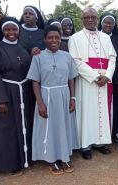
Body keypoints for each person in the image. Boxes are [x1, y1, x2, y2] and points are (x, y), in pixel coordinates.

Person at [27, 25, 79, 175]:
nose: (54, 40)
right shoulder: (38, 57)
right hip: (46, 96)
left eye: (57, 37)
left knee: (63, 127)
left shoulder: (67, 56)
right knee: (49, 128)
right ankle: (51, 159)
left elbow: (71, 78)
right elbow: (35, 81)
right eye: (50, 37)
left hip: (64, 95)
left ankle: (64, 157)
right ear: (45, 39)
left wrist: (73, 98)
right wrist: (40, 103)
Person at [68, 7, 116, 160]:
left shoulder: (106, 37)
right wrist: (96, 77)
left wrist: (107, 76)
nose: (90, 19)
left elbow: (112, 58)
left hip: (104, 80)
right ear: (82, 19)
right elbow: (75, 61)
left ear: (97, 19)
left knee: (102, 112)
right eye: (86, 17)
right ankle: (85, 145)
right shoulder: (75, 38)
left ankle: (100, 143)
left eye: (93, 17)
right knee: (87, 112)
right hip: (87, 81)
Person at [0, 17, 32, 176]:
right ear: (2, 31)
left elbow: (28, 69)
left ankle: (26, 157)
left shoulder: (22, 48)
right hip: (7, 92)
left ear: (19, 31)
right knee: (8, 128)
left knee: (24, 125)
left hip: (23, 92)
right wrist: (0, 99)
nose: (11, 32)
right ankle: (12, 163)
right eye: (7, 29)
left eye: (14, 29)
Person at [97, 12, 118, 143]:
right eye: (105, 22)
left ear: (114, 25)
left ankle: (113, 133)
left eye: (111, 23)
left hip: (115, 78)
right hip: (98, 79)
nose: (108, 25)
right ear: (101, 23)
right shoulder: (95, 37)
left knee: (115, 107)